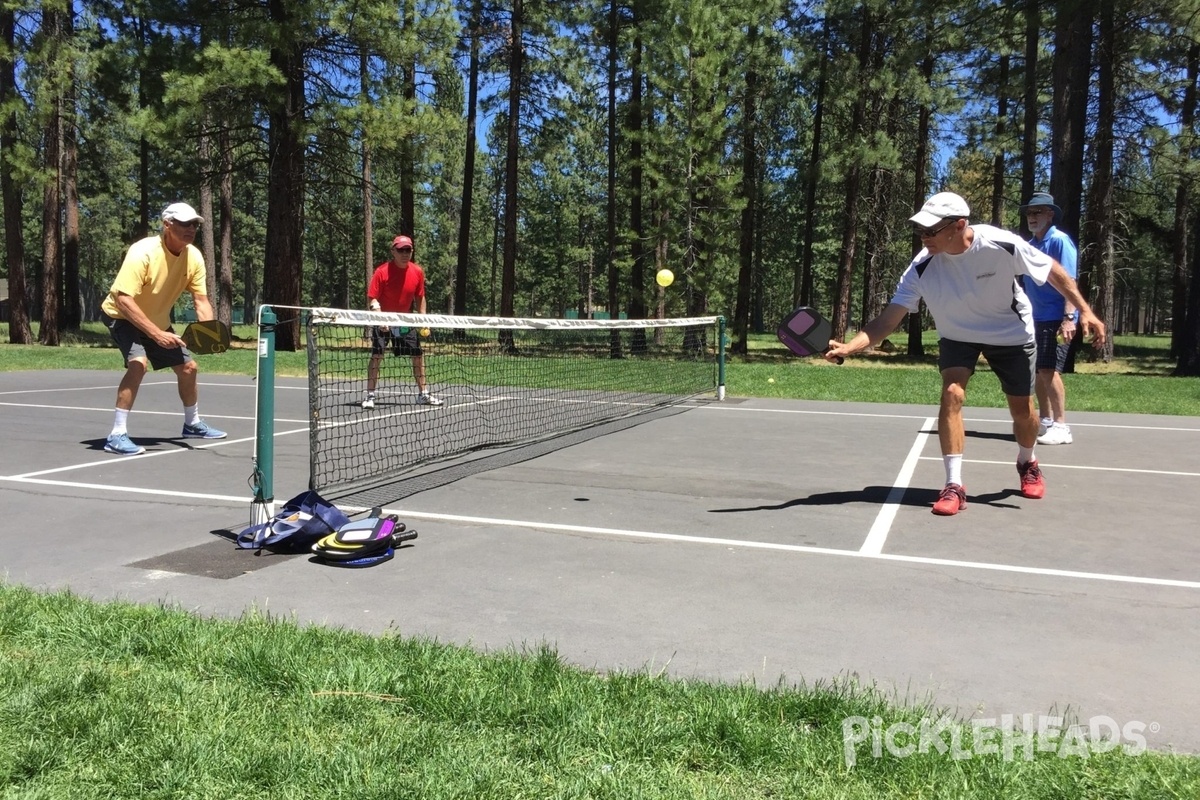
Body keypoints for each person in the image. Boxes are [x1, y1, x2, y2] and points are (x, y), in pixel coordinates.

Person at [824, 191, 1105, 516]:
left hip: (1010, 333)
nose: (924, 237)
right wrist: (850, 346)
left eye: (931, 230)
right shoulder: (921, 267)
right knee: (951, 394)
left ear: (959, 226)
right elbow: (888, 320)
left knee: (1022, 411)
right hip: (958, 335)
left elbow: (1053, 270)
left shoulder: (1000, 245)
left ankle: (1027, 460)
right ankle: (954, 485)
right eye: (921, 231)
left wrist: (1084, 311)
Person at [100, 202, 227, 455]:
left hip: (156, 319)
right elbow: (123, 299)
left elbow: (201, 300)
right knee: (139, 363)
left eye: (194, 224)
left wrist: (208, 334)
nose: (191, 229)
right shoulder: (143, 252)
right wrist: (156, 334)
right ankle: (116, 435)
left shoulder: (194, 257)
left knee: (189, 367)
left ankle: (192, 424)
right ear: (167, 224)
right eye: (184, 223)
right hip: (121, 315)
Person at [1020, 191, 1079, 446]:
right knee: (1038, 371)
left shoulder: (1059, 241)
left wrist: (1069, 317)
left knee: (1050, 370)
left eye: (1038, 212)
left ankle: (1062, 425)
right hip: (1034, 318)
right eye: (1030, 213)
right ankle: (1045, 421)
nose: (1032, 217)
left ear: (1050, 214)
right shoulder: (1031, 245)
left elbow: (1070, 281)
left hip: (1056, 317)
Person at [362, 235, 443, 409]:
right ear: (393, 251)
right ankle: (370, 395)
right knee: (377, 356)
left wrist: (423, 320)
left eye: (408, 250)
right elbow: (372, 298)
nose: (405, 253)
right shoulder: (381, 272)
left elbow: (420, 297)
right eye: (401, 250)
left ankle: (423, 394)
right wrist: (380, 317)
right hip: (382, 320)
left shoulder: (417, 272)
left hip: (405, 321)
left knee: (418, 355)